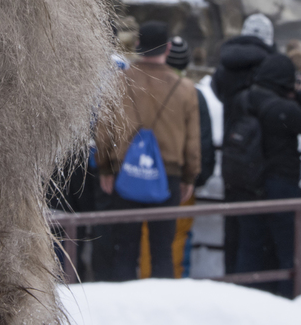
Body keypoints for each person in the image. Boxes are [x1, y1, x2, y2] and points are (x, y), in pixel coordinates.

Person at [95, 21, 201, 281]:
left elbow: (103, 130)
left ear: (139, 45)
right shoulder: (185, 89)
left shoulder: (119, 82)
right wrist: (189, 177)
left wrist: (105, 169)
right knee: (162, 250)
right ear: (167, 48)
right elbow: (193, 142)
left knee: (125, 250)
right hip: (169, 177)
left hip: (125, 174)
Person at [231, 49, 301, 298]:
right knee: (289, 253)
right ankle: (288, 304)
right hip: (280, 185)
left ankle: (243, 301)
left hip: (247, 183)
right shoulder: (284, 109)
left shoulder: (242, 99)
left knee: (250, 248)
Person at [211, 14, 277, 274]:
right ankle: (247, 282)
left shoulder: (226, 63)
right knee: (254, 229)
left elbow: (217, 90)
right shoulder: (269, 65)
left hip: (231, 149)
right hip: (259, 153)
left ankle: (230, 273)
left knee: (233, 222)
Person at [164, 35, 214, 278]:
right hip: (181, 180)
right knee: (178, 237)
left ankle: (142, 289)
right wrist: (197, 178)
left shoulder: (144, 88)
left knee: (146, 237)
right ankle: (175, 288)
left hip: (144, 177)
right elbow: (202, 142)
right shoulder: (194, 94)